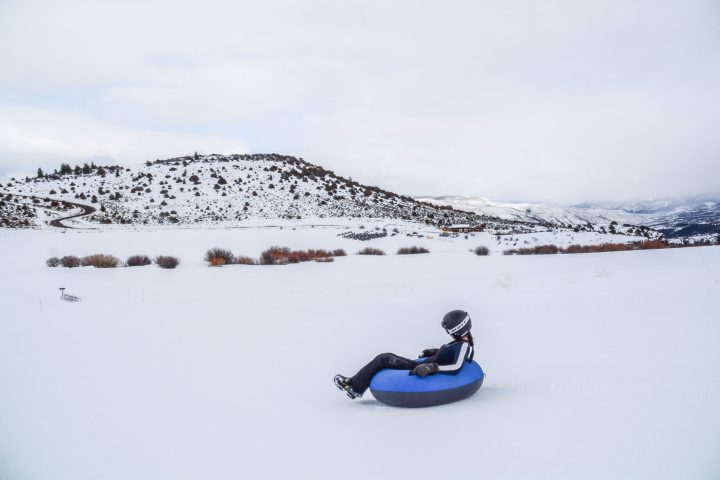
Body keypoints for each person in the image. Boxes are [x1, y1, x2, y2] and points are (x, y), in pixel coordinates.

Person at [334, 309, 474, 399]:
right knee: (386, 356)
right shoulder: (459, 342)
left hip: (422, 368)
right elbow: (448, 353)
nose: (448, 333)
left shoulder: (464, 345)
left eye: (448, 330)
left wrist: (433, 367)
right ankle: (353, 382)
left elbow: (456, 366)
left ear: (457, 330)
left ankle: (354, 387)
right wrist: (434, 352)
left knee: (383, 359)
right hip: (422, 364)